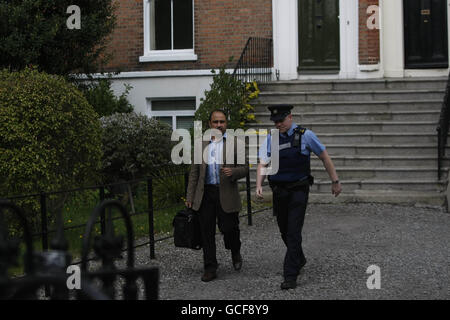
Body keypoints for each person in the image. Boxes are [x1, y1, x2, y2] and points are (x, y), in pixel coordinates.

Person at [255, 104, 342, 290]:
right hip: (279, 191)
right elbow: (263, 162)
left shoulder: (305, 135)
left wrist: (335, 181)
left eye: (281, 120)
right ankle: (299, 258)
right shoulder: (271, 138)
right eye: (275, 121)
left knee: (293, 232)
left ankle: (290, 275)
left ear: (290, 117)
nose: (278, 124)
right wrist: (258, 185)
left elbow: (324, 156)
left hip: (298, 190)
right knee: (284, 231)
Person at [185, 109, 248, 282]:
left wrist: (233, 172)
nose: (219, 125)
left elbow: (245, 168)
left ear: (226, 124)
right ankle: (210, 267)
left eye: (222, 122)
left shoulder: (236, 143)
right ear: (209, 124)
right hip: (205, 193)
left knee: (229, 228)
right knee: (207, 233)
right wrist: (189, 197)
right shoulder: (201, 144)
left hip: (226, 192)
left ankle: (235, 250)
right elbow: (194, 173)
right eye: (216, 122)